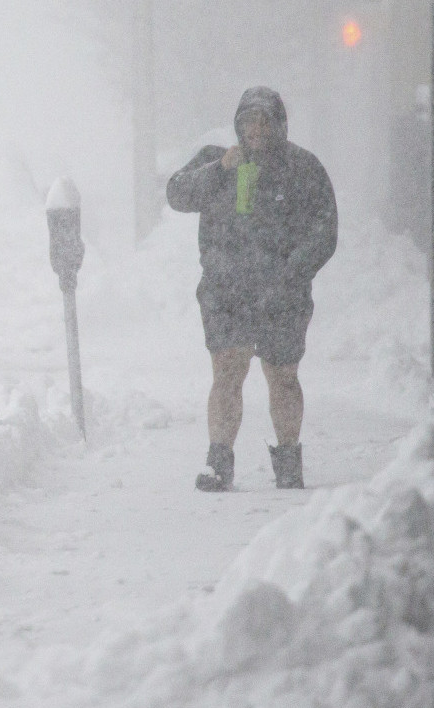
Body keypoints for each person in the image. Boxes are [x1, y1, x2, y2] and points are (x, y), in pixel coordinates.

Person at [166, 86, 338, 491]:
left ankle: (289, 460)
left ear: (279, 124)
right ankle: (218, 463)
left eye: (265, 121)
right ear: (238, 124)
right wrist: (220, 170)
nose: (256, 129)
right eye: (248, 121)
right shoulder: (218, 160)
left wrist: (292, 271)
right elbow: (177, 193)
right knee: (227, 373)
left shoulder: (302, 167)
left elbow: (325, 230)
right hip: (226, 291)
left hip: (283, 295)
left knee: (283, 377)